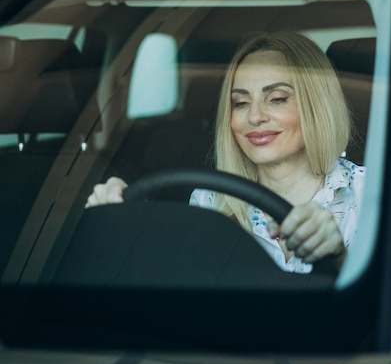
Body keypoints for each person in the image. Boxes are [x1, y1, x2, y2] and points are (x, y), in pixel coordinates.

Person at [85, 31, 365, 274]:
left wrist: (339, 258)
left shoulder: (373, 194)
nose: (255, 116)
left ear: (317, 106)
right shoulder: (210, 201)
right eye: (240, 103)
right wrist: (129, 222)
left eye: (277, 99)